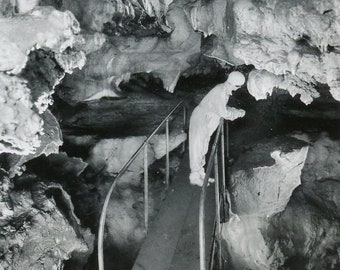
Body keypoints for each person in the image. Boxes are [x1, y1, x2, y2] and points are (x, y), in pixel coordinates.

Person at [189, 71, 246, 186]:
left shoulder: (223, 90)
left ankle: (201, 173)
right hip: (201, 119)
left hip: (206, 120)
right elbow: (223, 113)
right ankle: (194, 176)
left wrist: (235, 110)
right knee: (197, 147)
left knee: (203, 146)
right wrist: (238, 113)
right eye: (237, 87)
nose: (237, 89)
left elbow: (220, 106)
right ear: (233, 84)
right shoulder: (220, 91)